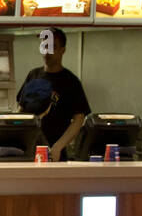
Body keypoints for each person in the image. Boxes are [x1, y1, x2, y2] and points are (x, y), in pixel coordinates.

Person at [16, 27, 91, 161]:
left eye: (52, 46)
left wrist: (58, 147)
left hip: (55, 154)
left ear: (63, 50)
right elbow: (21, 111)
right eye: (44, 46)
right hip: (28, 152)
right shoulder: (33, 75)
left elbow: (79, 119)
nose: (47, 51)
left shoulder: (71, 82)